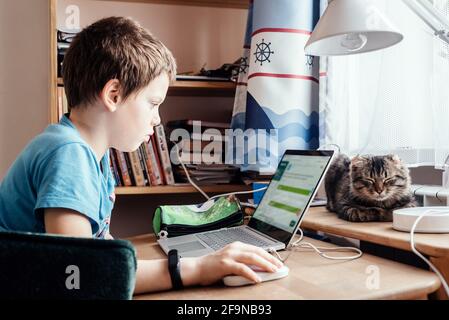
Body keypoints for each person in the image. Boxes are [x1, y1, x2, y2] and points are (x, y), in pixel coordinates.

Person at [0, 16, 283, 294]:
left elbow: (99, 248)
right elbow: (82, 271)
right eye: (153, 103)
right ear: (113, 94)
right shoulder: (68, 154)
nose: (157, 119)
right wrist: (197, 269)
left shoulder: (88, 153)